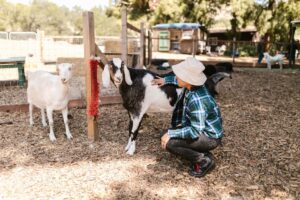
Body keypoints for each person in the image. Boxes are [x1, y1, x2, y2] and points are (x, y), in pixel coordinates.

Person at [151, 57, 223, 178]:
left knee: (170, 143)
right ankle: (200, 152)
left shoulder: (197, 100)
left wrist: (171, 133)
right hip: (201, 129)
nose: (177, 77)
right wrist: (165, 80)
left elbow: (195, 131)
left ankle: (203, 160)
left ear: (188, 79)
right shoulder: (192, 86)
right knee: (165, 135)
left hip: (209, 137)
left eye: (179, 75)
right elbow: (178, 80)